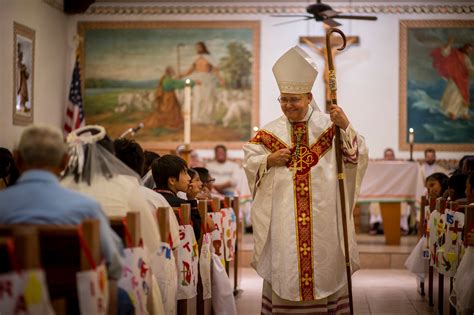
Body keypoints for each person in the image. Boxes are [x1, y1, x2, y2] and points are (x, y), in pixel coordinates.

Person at [243, 46, 368, 313]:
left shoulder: (330, 127)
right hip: (284, 220)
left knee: (326, 268)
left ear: (309, 97)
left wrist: (345, 125)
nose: (288, 105)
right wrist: (268, 160)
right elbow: (250, 161)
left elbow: (357, 155)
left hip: (324, 218)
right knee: (286, 266)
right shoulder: (269, 133)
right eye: (283, 99)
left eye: (294, 100)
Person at [0, 125, 124, 281]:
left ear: (16, 159)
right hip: (75, 301)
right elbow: (115, 263)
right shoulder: (87, 208)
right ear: (65, 161)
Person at [61, 125, 162, 255]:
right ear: (110, 156)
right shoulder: (126, 187)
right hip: (119, 270)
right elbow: (152, 243)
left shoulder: (59, 188)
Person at [152, 154, 202, 240]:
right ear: (172, 180)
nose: (189, 178)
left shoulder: (150, 198)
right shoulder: (182, 204)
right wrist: (191, 199)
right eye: (185, 173)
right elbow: (197, 234)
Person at [181, 41, 224, 124]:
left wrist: (220, 79)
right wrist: (181, 75)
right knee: (198, 98)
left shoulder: (209, 58)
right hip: (198, 80)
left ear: (203, 48)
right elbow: (189, 71)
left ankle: (207, 118)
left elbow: (215, 70)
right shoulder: (195, 58)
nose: (198, 49)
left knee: (208, 99)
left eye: (199, 47)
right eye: (196, 47)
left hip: (208, 80)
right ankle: (197, 118)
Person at [431, 38, 473, 120]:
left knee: (463, 96)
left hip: (463, 79)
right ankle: (452, 113)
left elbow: (469, 68)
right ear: (464, 47)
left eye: (470, 50)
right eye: (468, 48)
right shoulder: (455, 53)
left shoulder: (466, 58)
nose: (469, 51)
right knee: (454, 95)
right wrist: (449, 43)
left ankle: (464, 113)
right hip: (454, 78)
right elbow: (445, 53)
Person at [146, 66, 192, 130]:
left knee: (174, 110)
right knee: (170, 110)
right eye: (172, 71)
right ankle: (171, 125)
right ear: (169, 72)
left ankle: (174, 124)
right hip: (168, 98)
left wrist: (184, 75)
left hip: (169, 97)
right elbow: (176, 84)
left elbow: (175, 79)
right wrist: (192, 83)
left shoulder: (166, 78)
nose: (173, 72)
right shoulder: (167, 80)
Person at [16, 43, 30, 112]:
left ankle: (24, 105)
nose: (21, 57)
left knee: (25, 91)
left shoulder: (22, 64)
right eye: (21, 56)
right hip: (20, 81)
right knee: (22, 92)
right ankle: (21, 105)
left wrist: (26, 73)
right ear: (18, 57)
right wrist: (23, 69)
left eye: (22, 56)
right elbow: (18, 70)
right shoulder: (17, 64)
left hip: (24, 80)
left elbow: (26, 74)